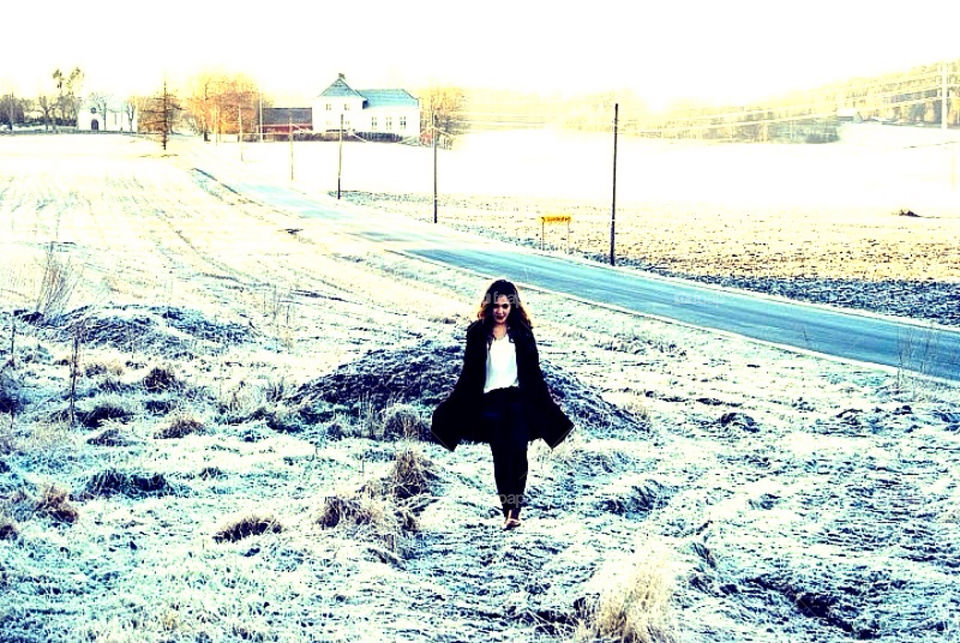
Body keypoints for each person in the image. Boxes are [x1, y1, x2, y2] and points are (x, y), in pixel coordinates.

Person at [432, 279, 574, 530]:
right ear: (488, 306)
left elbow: (534, 373)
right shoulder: (477, 333)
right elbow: (469, 374)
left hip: (518, 401)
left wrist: (548, 407)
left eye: (505, 306)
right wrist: (451, 406)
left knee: (518, 452)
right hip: (490, 402)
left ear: (513, 307)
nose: (500, 311)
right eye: (496, 305)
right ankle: (505, 509)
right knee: (500, 456)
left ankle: (514, 512)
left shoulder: (522, 333)